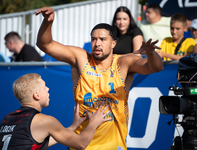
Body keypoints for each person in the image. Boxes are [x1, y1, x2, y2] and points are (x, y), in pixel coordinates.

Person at [36, 7, 164, 150]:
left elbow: (156, 68)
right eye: (93, 39)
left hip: (113, 146)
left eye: (103, 39)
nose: (97, 43)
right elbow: (45, 45)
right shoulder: (81, 58)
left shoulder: (123, 62)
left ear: (113, 43)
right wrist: (48, 22)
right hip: (80, 145)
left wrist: (152, 54)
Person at [0, 73, 111, 149]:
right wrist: (94, 123)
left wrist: (73, 127)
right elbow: (81, 143)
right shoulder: (43, 121)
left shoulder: (7, 118)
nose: (48, 89)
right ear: (36, 95)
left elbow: (36, 143)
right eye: (44, 86)